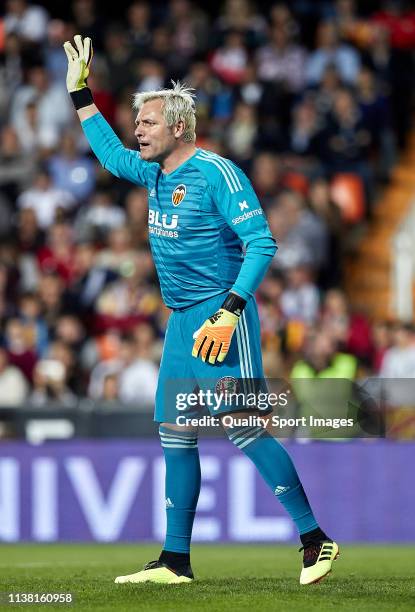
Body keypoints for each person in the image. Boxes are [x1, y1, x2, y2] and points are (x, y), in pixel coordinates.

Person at [63, 34, 339, 586]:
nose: (137, 130)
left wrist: (232, 310)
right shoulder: (156, 173)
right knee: (175, 432)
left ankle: (315, 541)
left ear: (179, 128)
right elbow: (112, 156)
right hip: (181, 320)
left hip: (221, 313)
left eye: (147, 122)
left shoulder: (217, 173)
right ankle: (175, 560)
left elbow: (261, 244)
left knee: (241, 426)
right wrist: (82, 95)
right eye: (137, 122)